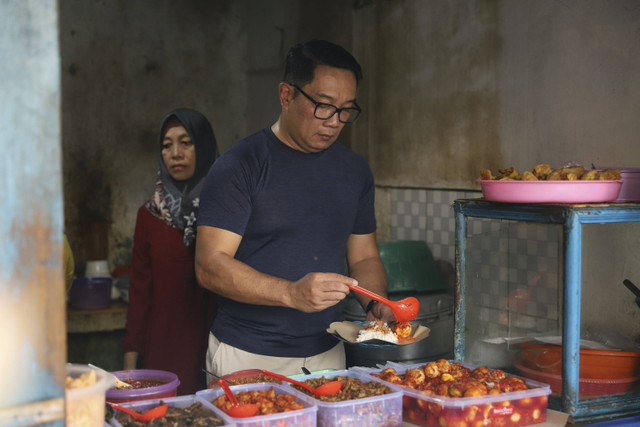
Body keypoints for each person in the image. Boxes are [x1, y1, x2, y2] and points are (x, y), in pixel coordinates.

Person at [195, 40, 394, 378]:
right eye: (324, 105)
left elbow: (363, 257)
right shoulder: (240, 165)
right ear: (286, 95)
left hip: (328, 354)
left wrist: (376, 303)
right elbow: (209, 265)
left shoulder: (355, 171)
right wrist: (290, 293)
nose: (335, 121)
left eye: (346, 109)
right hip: (246, 355)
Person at [121, 108, 219, 394]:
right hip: (164, 351)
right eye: (167, 145)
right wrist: (130, 363)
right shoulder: (150, 216)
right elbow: (140, 292)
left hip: (216, 350)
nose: (175, 153)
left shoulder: (227, 212)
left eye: (186, 142)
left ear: (203, 146)